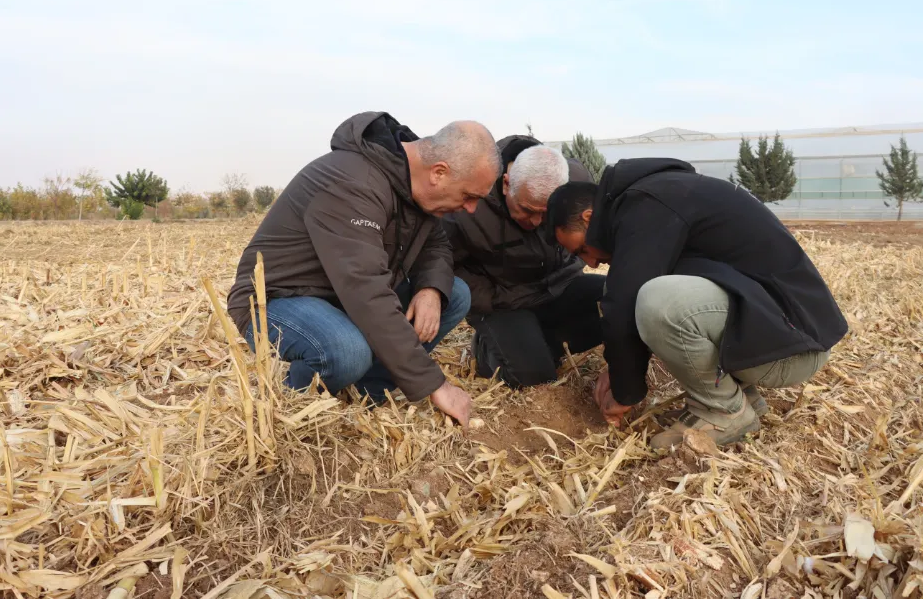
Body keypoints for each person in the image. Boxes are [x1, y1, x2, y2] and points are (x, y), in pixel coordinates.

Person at [545, 158, 848, 449]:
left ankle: (725, 412)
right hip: (784, 334)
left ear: (588, 217)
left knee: (658, 302)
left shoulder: (647, 205)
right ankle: (739, 396)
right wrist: (618, 366)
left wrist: (624, 391)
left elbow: (624, 305)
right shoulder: (657, 196)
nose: (592, 262)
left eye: (583, 249)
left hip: (792, 349)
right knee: (647, 291)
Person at [227, 111, 502, 429]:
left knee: (452, 294)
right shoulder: (353, 184)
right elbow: (366, 291)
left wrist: (430, 289)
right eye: (469, 197)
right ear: (439, 172)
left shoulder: (412, 185)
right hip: (277, 300)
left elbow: (436, 244)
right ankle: (289, 402)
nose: (471, 209)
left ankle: (365, 396)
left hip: (338, 297)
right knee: (345, 350)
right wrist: (434, 384)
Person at [442, 135, 605, 388]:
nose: (537, 222)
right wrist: (498, 298)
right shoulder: (469, 202)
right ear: (507, 184)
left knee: (616, 300)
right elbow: (449, 267)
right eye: (527, 210)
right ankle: (486, 350)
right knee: (537, 380)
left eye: (546, 213)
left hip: (558, 287)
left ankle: (538, 343)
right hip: (505, 302)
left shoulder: (576, 182)